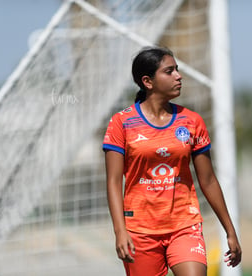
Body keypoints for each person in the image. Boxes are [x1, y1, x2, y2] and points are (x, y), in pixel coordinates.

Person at [102, 46, 241, 276]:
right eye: (170, 71)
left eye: (177, 70)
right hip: (140, 231)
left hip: (184, 226)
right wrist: (120, 231)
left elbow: (208, 180)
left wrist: (230, 230)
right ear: (148, 81)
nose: (179, 76)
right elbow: (114, 182)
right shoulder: (121, 123)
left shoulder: (192, 121)